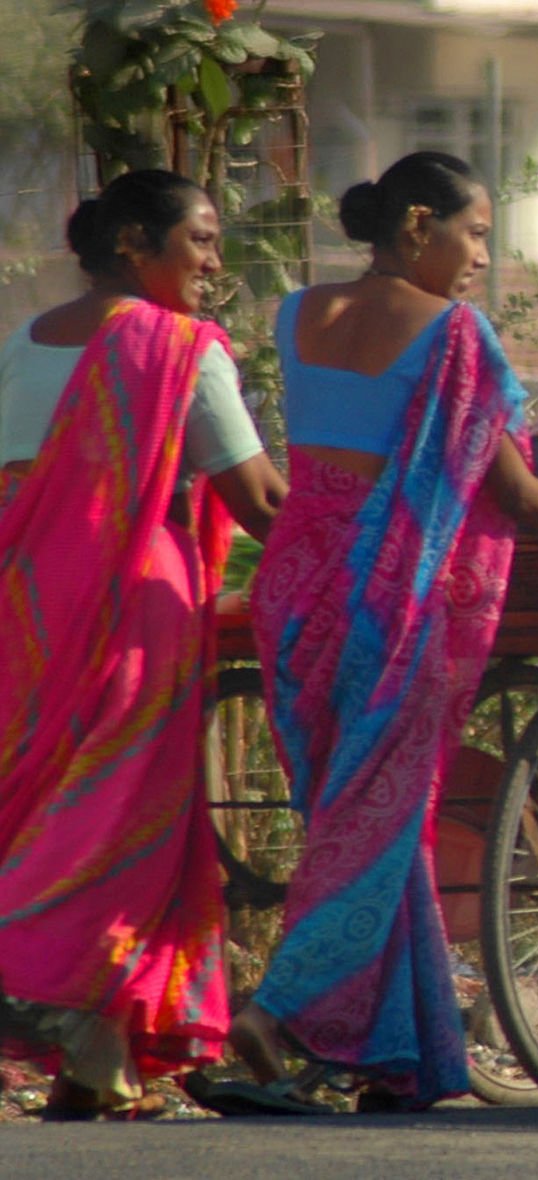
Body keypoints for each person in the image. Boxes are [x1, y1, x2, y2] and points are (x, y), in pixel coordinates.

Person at [225, 151, 538, 1114]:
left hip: (299, 591)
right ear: (418, 225)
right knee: (378, 822)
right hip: (390, 603)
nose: (481, 256)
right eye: (474, 234)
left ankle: (399, 1057)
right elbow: (513, 493)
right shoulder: (456, 337)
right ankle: (275, 1009)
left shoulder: (296, 314)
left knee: (349, 820)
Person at [0, 169, 286, 1119]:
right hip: (134, 614)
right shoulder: (178, 350)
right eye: (199, 240)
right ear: (134, 243)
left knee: (60, 809)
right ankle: (23, 960)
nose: (213, 262)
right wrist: (362, 555)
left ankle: (101, 1063)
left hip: (28, 616)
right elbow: (259, 501)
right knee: (119, 827)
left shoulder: (21, 344)